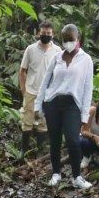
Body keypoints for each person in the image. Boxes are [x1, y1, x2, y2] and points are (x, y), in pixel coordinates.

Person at [34, 24, 94, 189]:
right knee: (54, 140)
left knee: (73, 140)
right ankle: (56, 173)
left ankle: (77, 177)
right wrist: (38, 105)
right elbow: (45, 82)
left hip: (72, 104)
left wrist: (84, 116)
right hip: (53, 102)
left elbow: (88, 88)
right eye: (65, 40)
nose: (68, 43)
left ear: (77, 39)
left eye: (71, 40)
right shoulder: (57, 58)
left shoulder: (86, 59)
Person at [19, 21, 62, 160]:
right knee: (27, 120)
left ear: (53, 34)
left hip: (48, 92)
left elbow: (60, 72)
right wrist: (23, 89)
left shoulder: (57, 51)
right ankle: (23, 149)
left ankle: (40, 150)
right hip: (31, 90)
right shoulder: (30, 49)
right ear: (39, 33)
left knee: (43, 122)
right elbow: (22, 70)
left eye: (48, 34)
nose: (46, 36)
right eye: (43, 33)